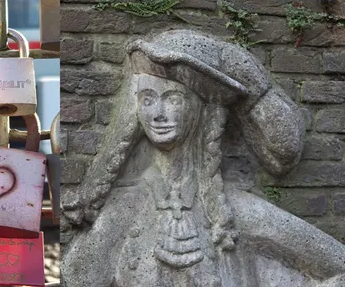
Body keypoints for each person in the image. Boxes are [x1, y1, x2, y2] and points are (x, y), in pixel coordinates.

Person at [62, 29, 345, 286]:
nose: (157, 114)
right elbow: (75, 276)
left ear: (202, 110)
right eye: (147, 99)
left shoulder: (234, 213)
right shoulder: (127, 211)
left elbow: (337, 267)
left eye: (172, 98)